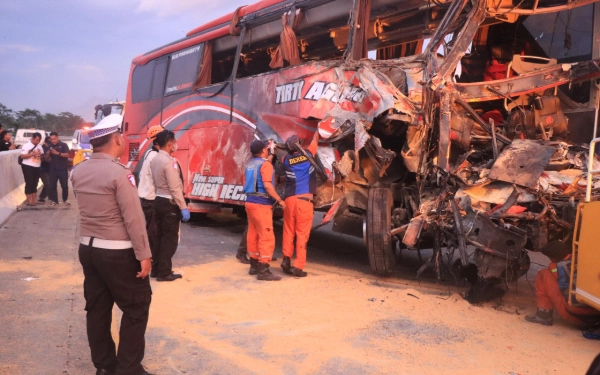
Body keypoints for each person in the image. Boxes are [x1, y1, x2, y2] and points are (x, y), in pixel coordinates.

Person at [70, 114, 153, 375]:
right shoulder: (120, 174)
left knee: (97, 308)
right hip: (117, 251)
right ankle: (128, 369)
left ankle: (104, 366)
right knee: (137, 306)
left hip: (88, 248)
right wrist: (144, 254)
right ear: (117, 138)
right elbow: (134, 218)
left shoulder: (78, 170)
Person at [526, 240, 599, 327]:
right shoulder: (583, 259)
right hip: (595, 314)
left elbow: (556, 283)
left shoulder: (555, 266)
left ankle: (543, 315)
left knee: (543, 274)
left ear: (553, 258)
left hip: (573, 314)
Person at [242, 139, 286, 281]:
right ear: (262, 151)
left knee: (253, 233)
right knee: (266, 236)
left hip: (250, 202)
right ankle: (264, 270)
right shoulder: (266, 165)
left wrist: (271, 153)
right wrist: (279, 200)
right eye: (266, 149)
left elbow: (263, 165)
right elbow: (267, 185)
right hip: (262, 204)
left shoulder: (250, 165)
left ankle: (254, 265)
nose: (268, 151)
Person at [150, 130, 190, 282]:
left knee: (159, 237)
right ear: (169, 143)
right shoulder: (169, 162)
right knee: (169, 240)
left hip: (158, 200)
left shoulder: (155, 160)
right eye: (174, 142)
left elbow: (154, 182)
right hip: (169, 204)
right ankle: (164, 272)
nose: (176, 145)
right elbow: (175, 188)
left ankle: (156, 269)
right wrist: (183, 206)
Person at [280, 131, 319, 278]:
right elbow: (316, 138)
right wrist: (318, 127)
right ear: (299, 145)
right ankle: (298, 266)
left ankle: (286, 259)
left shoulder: (285, 159)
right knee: (302, 234)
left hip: (289, 199)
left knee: (288, 231)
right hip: (304, 200)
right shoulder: (309, 154)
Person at [138, 126, 163, 261]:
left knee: (148, 230)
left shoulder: (149, 153)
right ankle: (149, 258)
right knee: (152, 231)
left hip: (145, 198)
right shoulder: (155, 157)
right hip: (151, 199)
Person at [47, 131, 71, 207]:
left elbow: (67, 155)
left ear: (57, 138)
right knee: (52, 186)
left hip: (62, 169)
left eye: (54, 139)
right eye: (51, 139)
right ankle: (54, 201)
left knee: (64, 185)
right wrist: (48, 153)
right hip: (53, 169)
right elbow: (47, 159)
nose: (53, 141)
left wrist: (58, 153)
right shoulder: (50, 146)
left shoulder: (64, 145)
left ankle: (65, 199)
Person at [20, 132, 44, 206]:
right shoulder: (26, 145)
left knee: (35, 182)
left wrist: (40, 156)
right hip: (27, 166)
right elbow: (22, 156)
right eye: (36, 140)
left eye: (39, 140)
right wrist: (33, 154)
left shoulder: (39, 146)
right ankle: (29, 200)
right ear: (33, 138)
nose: (38, 142)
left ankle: (34, 199)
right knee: (29, 182)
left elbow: (42, 154)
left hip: (36, 166)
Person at [38, 137, 51, 203]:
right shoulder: (41, 149)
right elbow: (41, 158)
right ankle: (45, 197)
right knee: (47, 184)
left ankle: (42, 197)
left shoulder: (52, 148)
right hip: (42, 169)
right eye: (48, 143)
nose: (49, 144)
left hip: (50, 168)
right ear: (45, 142)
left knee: (49, 183)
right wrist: (46, 155)